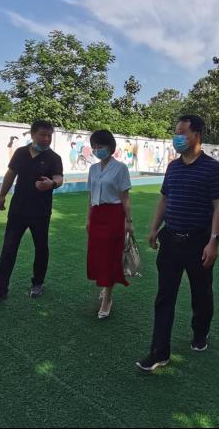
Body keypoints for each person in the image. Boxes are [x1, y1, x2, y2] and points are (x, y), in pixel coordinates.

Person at [137, 115, 219, 373]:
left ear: (196, 135)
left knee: (201, 294)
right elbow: (165, 200)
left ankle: (200, 332)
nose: (176, 138)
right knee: (164, 297)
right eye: (175, 133)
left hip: (198, 242)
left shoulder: (213, 168)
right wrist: (154, 229)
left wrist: (213, 242)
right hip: (170, 241)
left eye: (181, 133)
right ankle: (159, 352)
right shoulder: (173, 167)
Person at [0, 120, 64, 301]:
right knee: (8, 249)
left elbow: (59, 178)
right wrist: (2, 195)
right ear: (33, 134)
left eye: (49, 135)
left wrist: (52, 183)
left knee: (41, 248)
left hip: (41, 212)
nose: (46, 139)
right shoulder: (20, 153)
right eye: (42, 135)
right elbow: (10, 174)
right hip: (18, 210)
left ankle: (37, 283)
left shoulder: (54, 158)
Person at [85, 130, 133, 319]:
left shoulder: (121, 168)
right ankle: (105, 287)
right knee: (97, 256)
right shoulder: (93, 169)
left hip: (113, 216)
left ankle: (108, 298)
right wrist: (88, 218)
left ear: (110, 147)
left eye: (101, 146)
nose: (97, 149)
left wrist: (128, 220)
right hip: (97, 215)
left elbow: (125, 197)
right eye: (94, 146)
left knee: (110, 257)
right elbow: (90, 196)